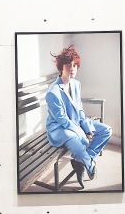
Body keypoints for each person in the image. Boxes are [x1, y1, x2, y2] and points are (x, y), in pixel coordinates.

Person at [45, 45, 112, 189]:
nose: (72, 68)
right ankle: (90, 164)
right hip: (60, 128)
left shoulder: (76, 84)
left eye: (75, 65)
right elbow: (63, 120)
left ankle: (81, 161)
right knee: (76, 141)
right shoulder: (53, 92)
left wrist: (87, 128)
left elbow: (79, 109)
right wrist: (82, 134)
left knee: (106, 130)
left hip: (75, 122)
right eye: (68, 65)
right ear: (61, 67)